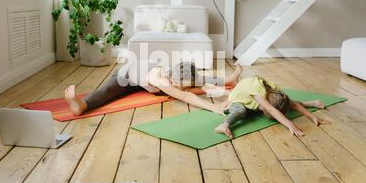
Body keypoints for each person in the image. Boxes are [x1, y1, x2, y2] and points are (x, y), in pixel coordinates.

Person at [64, 62, 243, 117]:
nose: (188, 87)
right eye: (183, 85)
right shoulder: (160, 79)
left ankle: (230, 78)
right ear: (173, 79)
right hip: (127, 77)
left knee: (202, 79)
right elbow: (186, 96)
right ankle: (81, 105)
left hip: (146, 80)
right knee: (106, 93)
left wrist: (230, 94)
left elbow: (204, 85)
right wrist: (214, 108)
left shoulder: (182, 72)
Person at [215, 76, 329, 140]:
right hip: (238, 100)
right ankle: (224, 125)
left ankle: (310, 103)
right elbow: (271, 109)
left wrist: (312, 117)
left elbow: (291, 103)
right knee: (241, 111)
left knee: (284, 104)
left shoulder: (274, 89)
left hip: (253, 100)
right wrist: (291, 125)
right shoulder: (258, 92)